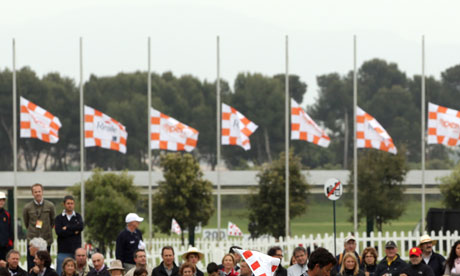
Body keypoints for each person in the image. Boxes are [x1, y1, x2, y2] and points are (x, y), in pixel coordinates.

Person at [23, 183, 56, 271]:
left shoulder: (50, 206)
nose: (38, 193)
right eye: (35, 192)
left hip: (46, 240)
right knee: (31, 265)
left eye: (39, 191)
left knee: (45, 265)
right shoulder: (27, 207)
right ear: (32, 193)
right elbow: (26, 223)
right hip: (32, 241)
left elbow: (53, 221)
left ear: (42, 192)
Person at [55, 195, 84, 276]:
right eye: (68, 203)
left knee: (77, 272)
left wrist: (66, 228)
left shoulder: (78, 217)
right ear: (64, 204)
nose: (70, 205)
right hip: (63, 250)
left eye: (72, 203)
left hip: (75, 250)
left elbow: (80, 227)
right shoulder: (59, 218)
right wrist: (74, 231)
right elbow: (59, 232)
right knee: (61, 272)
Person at [0, 192, 13, 261]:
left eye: (3, 200)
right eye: (0, 200)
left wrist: (10, 243)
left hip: (5, 247)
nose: (1, 202)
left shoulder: (7, 214)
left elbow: (10, 230)